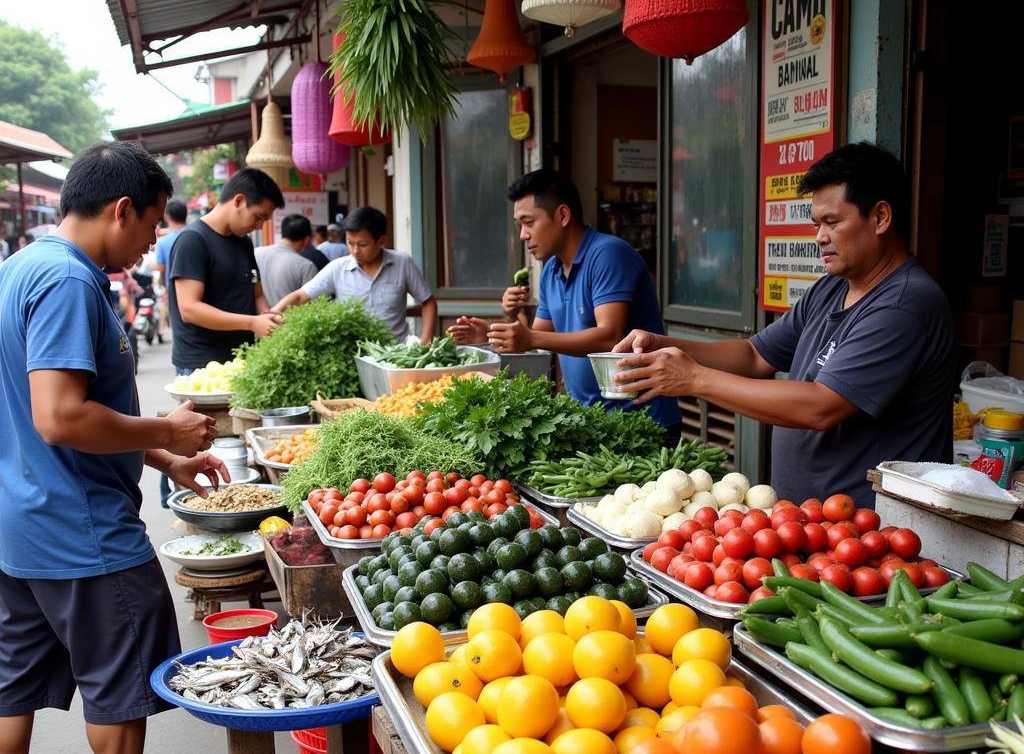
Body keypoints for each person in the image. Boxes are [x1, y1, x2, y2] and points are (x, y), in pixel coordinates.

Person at [0, 141, 222, 754]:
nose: (154, 240)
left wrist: (165, 458)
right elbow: (62, 416)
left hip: (17, 522)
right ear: (120, 209)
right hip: (80, 528)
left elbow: (62, 411)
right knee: (119, 667)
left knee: (14, 679)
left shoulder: (22, 268)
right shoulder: (68, 281)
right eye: (153, 224)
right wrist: (167, 428)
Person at [610, 142, 955, 508]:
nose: (820, 236)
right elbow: (755, 354)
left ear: (881, 217)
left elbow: (821, 407)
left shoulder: (905, 304)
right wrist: (665, 345)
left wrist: (693, 378)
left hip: (871, 534)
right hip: (806, 522)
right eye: (817, 223)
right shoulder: (832, 287)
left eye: (833, 222)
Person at [449, 169, 681, 432]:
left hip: (642, 422)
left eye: (529, 222)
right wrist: (493, 331)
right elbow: (538, 337)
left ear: (562, 215)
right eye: (519, 225)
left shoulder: (608, 254)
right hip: (589, 420)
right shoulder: (551, 270)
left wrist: (530, 338)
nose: (523, 235)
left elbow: (610, 337)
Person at [166, 167, 285, 374]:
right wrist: (252, 323)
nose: (259, 226)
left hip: (240, 360)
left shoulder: (244, 243)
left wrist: (268, 317)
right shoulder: (193, 241)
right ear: (238, 201)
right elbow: (189, 309)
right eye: (258, 217)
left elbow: (256, 293)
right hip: (201, 366)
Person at [272, 205, 438, 343]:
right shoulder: (337, 268)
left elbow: (428, 302)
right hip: (354, 357)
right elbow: (301, 296)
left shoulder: (402, 263)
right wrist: (274, 313)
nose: (354, 250)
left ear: (381, 241)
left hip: (396, 355)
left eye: (362, 245)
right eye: (350, 243)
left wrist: (425, 340)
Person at [254, 214, 318, 305]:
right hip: (288, 318)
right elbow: (311, 304)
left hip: (255, 318)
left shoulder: (255, 253)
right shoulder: (306, 266)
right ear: (307, 239)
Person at [151, 198, 187, 287]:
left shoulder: (162, 242)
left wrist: (149, 263)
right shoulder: (196, 235)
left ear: (167, 217)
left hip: (174, 289)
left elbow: (160, 267)